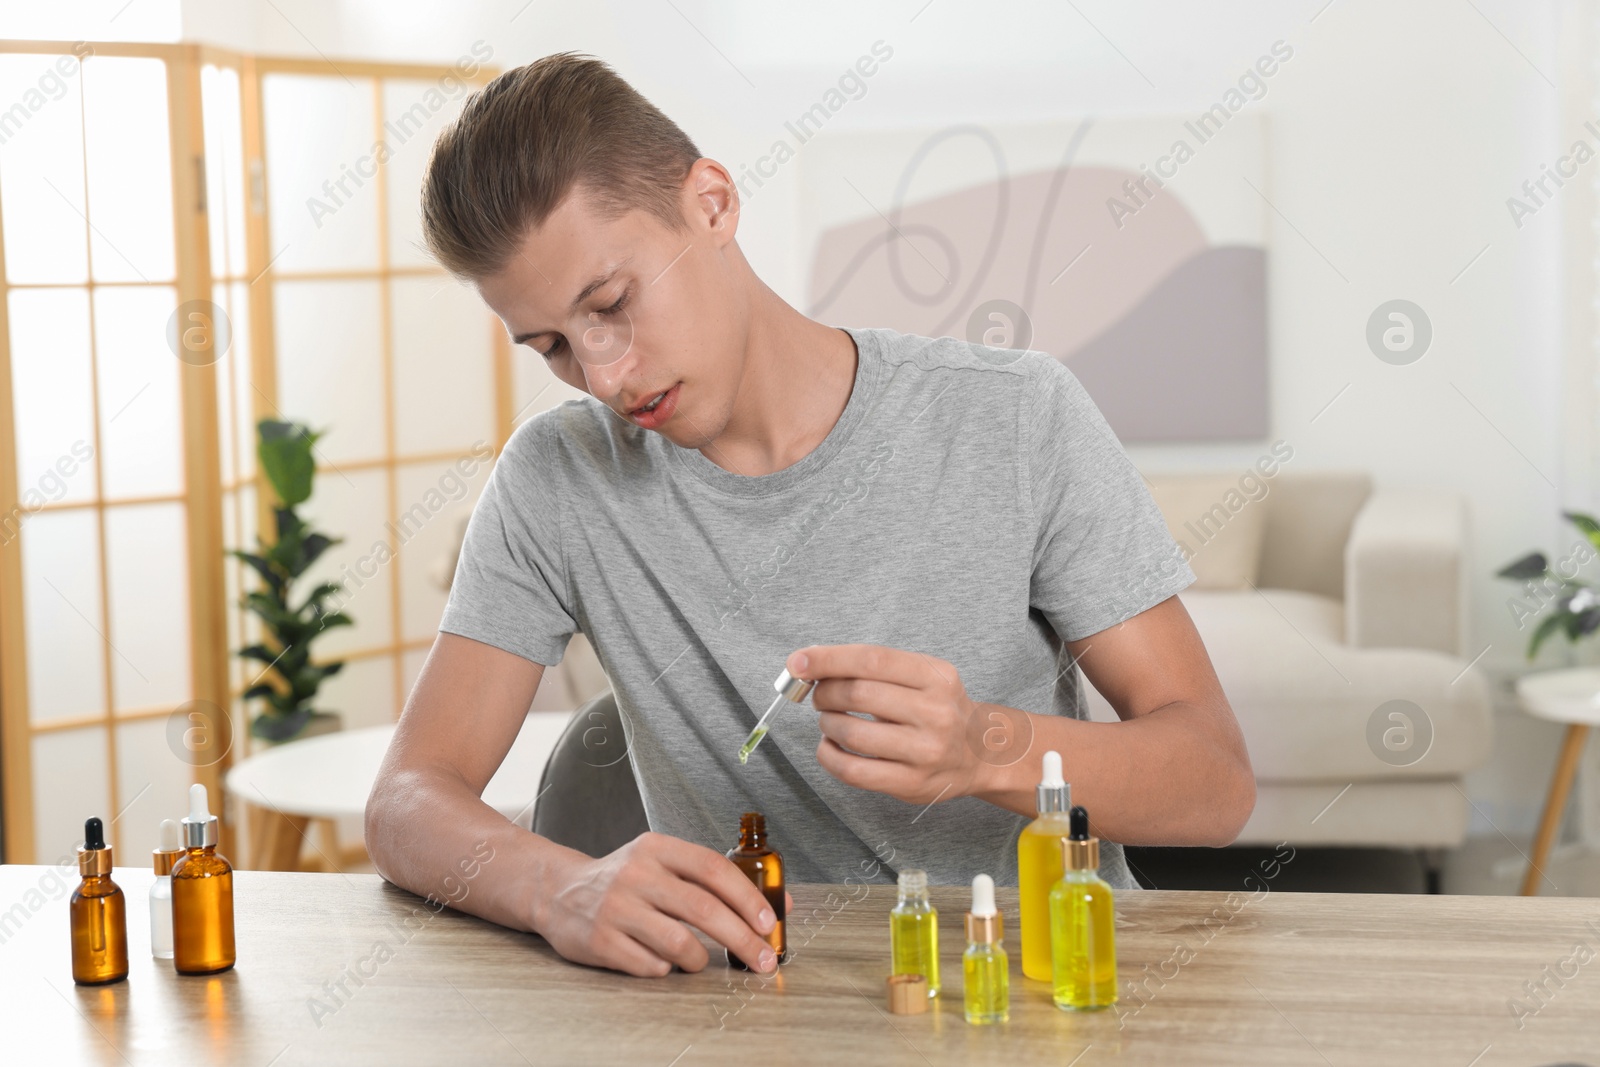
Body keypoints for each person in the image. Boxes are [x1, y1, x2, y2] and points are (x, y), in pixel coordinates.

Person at [365, 50, 1255, 980]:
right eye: (551, 345)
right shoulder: (557, 481)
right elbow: (405, 801)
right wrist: (558, 887)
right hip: (758, 1004)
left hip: (1033, 986)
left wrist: (984, 748)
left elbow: (1215, 782)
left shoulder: (1017, 416)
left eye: (613, 305)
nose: (604, 376)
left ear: (710, 203)